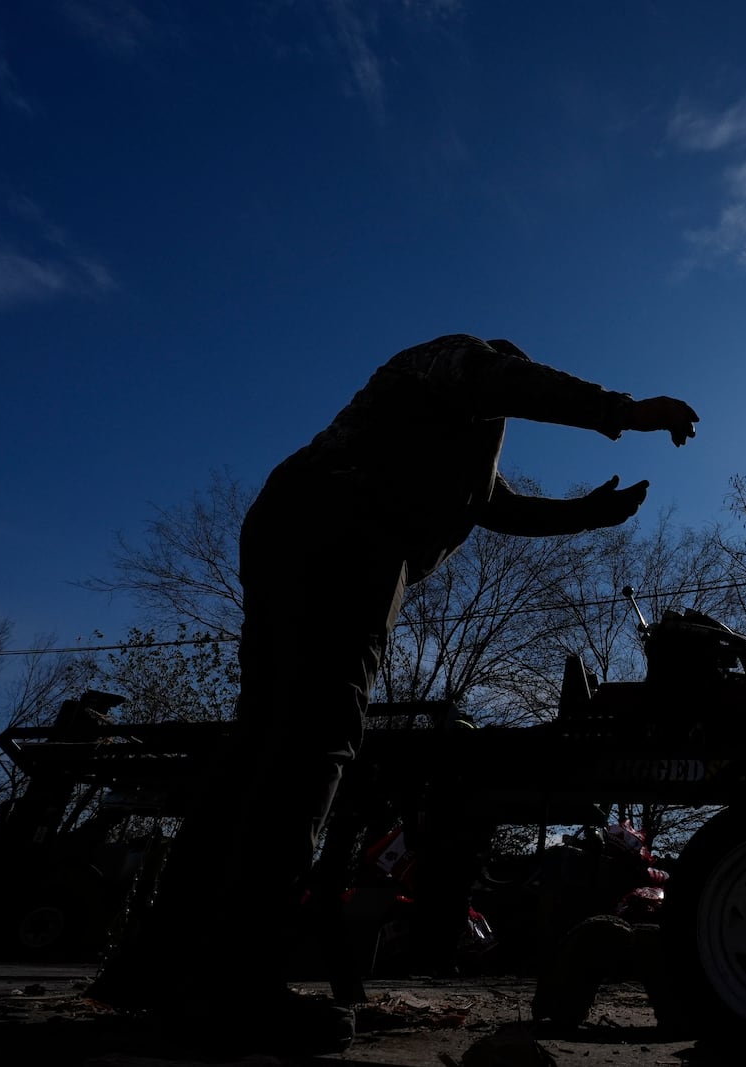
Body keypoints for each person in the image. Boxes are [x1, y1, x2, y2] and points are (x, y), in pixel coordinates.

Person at [90, 334, 698, 1054]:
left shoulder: (456, 447)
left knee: (257, 749)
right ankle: (237, 986)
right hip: (343, 535)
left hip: (301, 527)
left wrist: (584, 515)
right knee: (314, 745)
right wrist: (624, 410)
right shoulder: (454, 360)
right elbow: (508, 381)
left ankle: (161, 965)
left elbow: (497, 507)